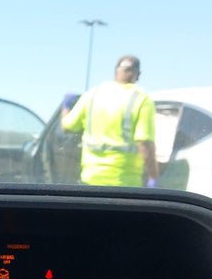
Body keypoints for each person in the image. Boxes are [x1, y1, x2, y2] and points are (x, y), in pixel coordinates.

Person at [61, 55, 158, 187]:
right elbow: (144, 143)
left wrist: (66, 106)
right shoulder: (142, 99)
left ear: (116, 71)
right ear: (138, 75)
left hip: (90, 181)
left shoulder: (92, 95)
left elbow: (66, 126)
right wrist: (153, 177)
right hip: (126, 184)